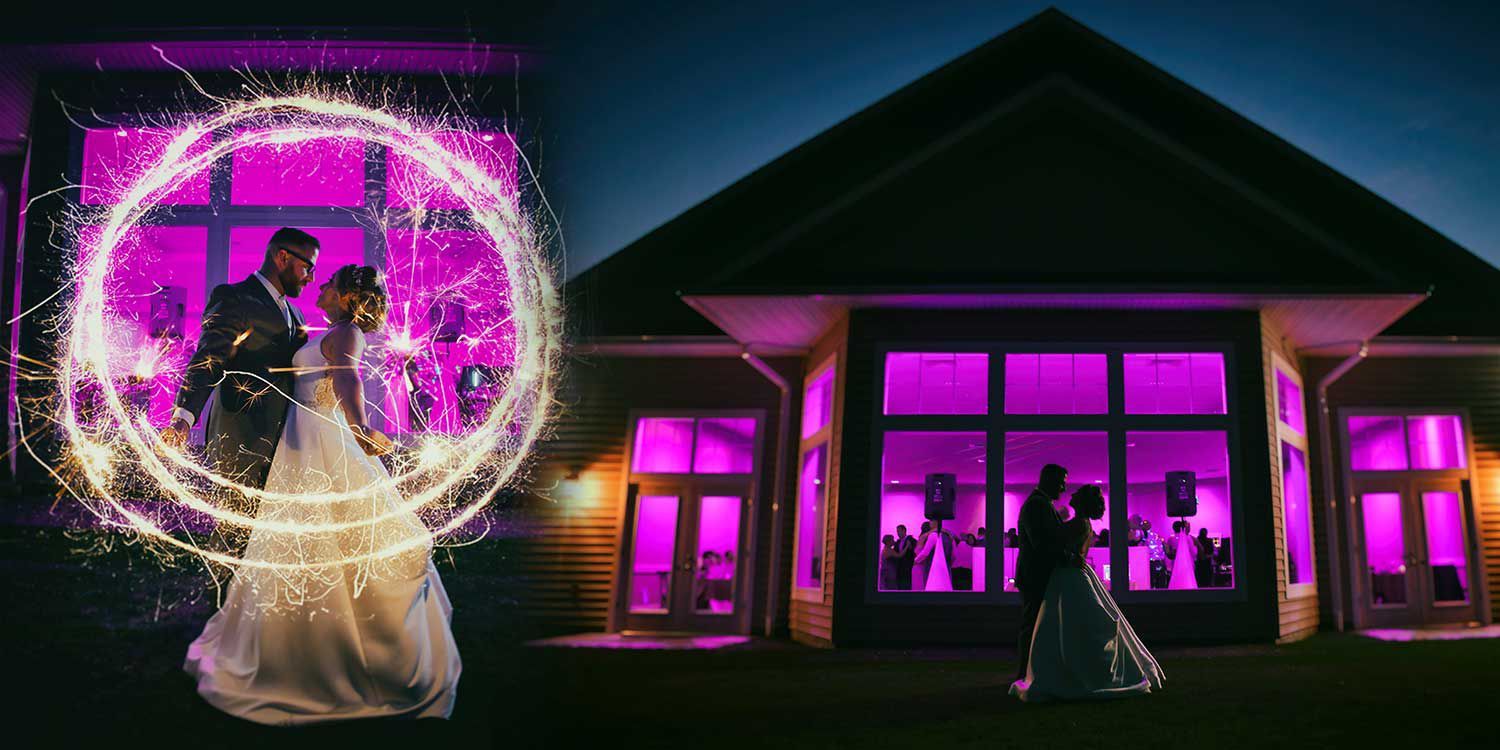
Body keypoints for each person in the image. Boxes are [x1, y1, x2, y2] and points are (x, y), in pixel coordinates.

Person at [183, 263, 461, 725]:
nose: (323, 287)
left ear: (349, 298)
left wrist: (359, 426)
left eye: (330, 284)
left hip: (325, 438)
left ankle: (340, 656)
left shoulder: (347, 332)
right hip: (303, 439)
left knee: (334, 535)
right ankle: (300, 646)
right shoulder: (330, 329)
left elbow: (348, 377)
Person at [162, 228, 318, 582]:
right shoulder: (234, 297)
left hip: (283, 436)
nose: (310, 278)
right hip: (241, 432)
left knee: (265, 529)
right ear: (283, 257)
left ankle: (251, 608)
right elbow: (208, 358)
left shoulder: (296, 314)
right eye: (308, 267)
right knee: (236, 526)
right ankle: (219, 606)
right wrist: (184, 417)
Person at [1011, 485, 1164, 702]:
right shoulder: (1080, 523)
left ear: (1081, 501)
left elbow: (1052, 542)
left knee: (1067, 624)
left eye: (1076, 494)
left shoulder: (1077, 524)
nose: (1070, 494)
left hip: (1069, 576)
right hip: (1070, 575)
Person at [1013, 463, 1081, 682]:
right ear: (1049, 480)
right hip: (1036, 576)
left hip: (1039, 575)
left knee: (1037, 626)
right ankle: (1024, 674)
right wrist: (1069, 557)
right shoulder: (1036, 505)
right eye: (1062, 482)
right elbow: (1041, 544)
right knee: (1032, 625)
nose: (1063, 488)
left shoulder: (1042, 503)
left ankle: (1033, 673)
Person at [914, 519, 956, 591]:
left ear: (935, 522)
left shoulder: (933, 535)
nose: (930, 522)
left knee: (932, 591)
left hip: (932, 568)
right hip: (946, 568)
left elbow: (925, 553)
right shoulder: (950, 537)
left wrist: (916, 560)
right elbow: (954, 555)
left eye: (931, 520)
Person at [1168, 520, 1198, 590]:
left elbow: (1169, 553)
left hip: (1175, 564)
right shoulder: (1187, 537)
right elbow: (1194, 552)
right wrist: (1196, 546)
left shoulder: (1170, 539)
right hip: (1187, 564)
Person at [894, 524, 916, 590]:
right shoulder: (897, 542)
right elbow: (895, 553)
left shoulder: (911, 540)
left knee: (907, 585)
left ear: (904, 531)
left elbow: (916, 551)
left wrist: (911, 548)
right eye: (897, 531)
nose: (898, 533)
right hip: (899, 568)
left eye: (899, 531)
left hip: (908, 567)